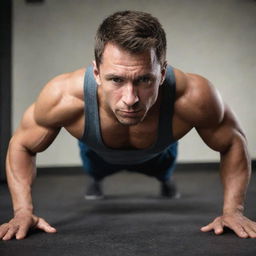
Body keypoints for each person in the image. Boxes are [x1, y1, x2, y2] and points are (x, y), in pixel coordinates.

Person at [0, 10, 255, 241]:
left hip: (159, 152)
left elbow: (233, 141)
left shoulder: (194, 96)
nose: (131, 99)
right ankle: (98, 178)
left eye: (145, 79)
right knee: (94, 169)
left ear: (162, 73)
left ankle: (165, 180)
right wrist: (23, 212)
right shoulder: (63, 96)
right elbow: (21, 144)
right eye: (116, 79)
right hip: (96, 153)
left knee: (165, 170)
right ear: (97, 73)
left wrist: (234, 211)